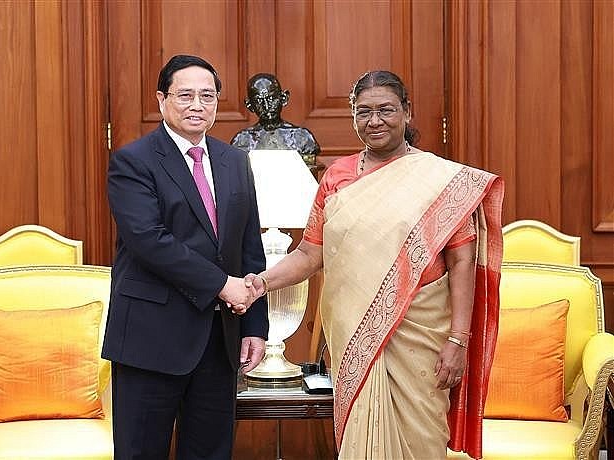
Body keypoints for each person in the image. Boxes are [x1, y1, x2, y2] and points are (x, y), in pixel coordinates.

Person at [245, 71, 504, 459]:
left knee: (422, 440)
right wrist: (259, 284)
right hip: (356, 338)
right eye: (363, 112)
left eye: (386, 110)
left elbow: (462, 260)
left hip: (422, 338)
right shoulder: (337, 177)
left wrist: (458, 341)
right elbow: (309, 254)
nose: (375, 121)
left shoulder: (438, 179)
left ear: (407, 112)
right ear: (353, 116)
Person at [102, 54, 269, 460]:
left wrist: (255, 326)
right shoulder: (133, 161)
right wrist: (221, 284)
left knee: (211, 452)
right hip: (150, 338)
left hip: (219, 341)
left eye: (208, 96)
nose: (198, 105)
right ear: (162, 100)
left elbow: (249, 244)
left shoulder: (234, 161)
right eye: (186, 95)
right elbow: (149, 240)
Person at [230, 73, 320, 166]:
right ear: (250, 106)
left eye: (271, 98)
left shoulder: (302, 137)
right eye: (259, 101)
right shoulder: (242, 140)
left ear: (283, 98)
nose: (266, 106)